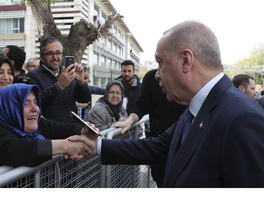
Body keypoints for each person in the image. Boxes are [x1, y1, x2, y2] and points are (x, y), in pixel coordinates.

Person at [82, 21, 264, 187]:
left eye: (160, 63)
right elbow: (157, 146)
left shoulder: (242, 119)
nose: (157, 74)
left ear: (185, 61)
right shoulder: (196, 109)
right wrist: (96, 144)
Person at [0, 83, 95, 173]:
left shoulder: (37, 124)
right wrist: (65, 147)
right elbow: (16, 150)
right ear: (8, 107)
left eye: (35, 102)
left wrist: (85, 131)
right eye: (25, 104)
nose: (35, 109)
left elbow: (63, 129)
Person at [112, 68, 186, 187]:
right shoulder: (150, 78)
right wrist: (129, 120)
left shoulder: (190, 81)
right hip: (158, 147)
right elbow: (141, 105)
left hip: (183, 148)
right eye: (158, 62)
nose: (158, 75)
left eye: (162, 61)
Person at [26, 37, 91, 124]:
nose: (55, 57)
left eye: (58, 53)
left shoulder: (68, 73)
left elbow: (84, 100)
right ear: (42, 57)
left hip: (72, 129)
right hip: (49, 132)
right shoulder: (32, 76)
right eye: (50, 54)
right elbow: (36, 103)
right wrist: (59, 86)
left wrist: (81, 83)